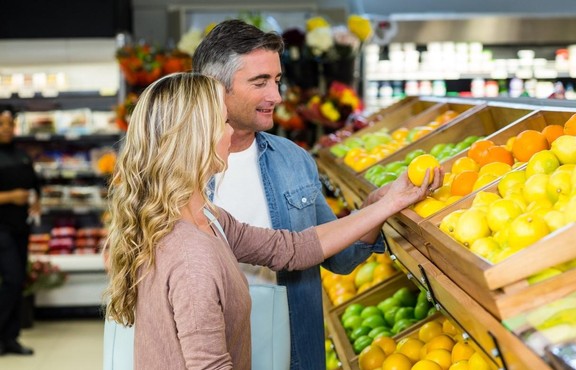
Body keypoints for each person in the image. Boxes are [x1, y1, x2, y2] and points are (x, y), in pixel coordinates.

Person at [103, 72, 440, 369]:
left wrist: (384, 205)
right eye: (222, 122)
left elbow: (290, 248)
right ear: (198, 139)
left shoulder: (205, 219)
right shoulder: (192, 257)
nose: (229, 132)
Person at [192, 19, 389, 369]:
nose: (277, 97)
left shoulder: (292, 159)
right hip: (209, 354)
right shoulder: (174, 169)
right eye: (260, 82)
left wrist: (374, 211)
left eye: (277, 81)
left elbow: (338, 258)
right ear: (215, 88)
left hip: (291, 352)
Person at [0, 105, 40, 356]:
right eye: (1, 124)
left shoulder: (22, 155)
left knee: (18, 282)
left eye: (9, 124)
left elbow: (35, 186)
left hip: (20, 227)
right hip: (0, 228)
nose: (6, 128)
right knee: (13, 279)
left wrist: (36, 200)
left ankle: (10, 338)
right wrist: (10, 197)